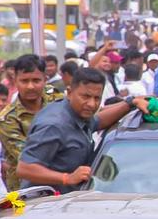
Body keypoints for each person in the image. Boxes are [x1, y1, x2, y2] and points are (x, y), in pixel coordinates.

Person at [16, 68, 150, 193]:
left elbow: (98, 121)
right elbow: (25, 169)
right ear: (69, 93)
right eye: (85, 96)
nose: (91, 104)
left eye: (97, 98)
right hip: (43, 205)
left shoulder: (79, 113)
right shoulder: (53, 125)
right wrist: (66, 178)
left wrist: (130, 103)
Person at [0, 54, 63, 192]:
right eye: (24, 81)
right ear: (15, 81)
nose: (30, 86)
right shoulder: (7, 119)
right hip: (27, 191)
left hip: (63, 184)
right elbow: (30, 158)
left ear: (45, 79)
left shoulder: (55, 97)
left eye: (36, 80)